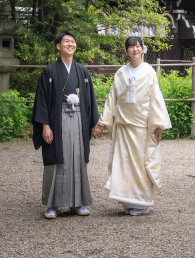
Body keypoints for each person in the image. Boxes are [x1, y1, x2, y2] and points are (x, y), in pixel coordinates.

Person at [32, 31, 102, 219]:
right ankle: (52, 205)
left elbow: (90, 99)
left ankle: (76, 203)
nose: (70, 44)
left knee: (77, 158)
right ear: (58, 46)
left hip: (78, 119)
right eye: (66, 42)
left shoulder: (82, 70)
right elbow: (42, 101)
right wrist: (45, 125)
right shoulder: (50, 71)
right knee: (56, 158)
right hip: (57, 120)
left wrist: (95, 122)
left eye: (73, 42)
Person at [98, 36, 171, 215]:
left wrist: (158, 125)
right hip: (123, 125)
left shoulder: (149, 71)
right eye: (131, 47)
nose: (135, 50)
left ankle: (142, 203)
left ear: (142, 49)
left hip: (141, 126)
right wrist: (103, 121)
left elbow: (155, 98)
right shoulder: (121, 73)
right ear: (126, 51)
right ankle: (127, 201)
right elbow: (112, 98)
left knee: (140, 165)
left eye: (137, 46)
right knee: (123, 164)